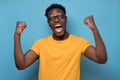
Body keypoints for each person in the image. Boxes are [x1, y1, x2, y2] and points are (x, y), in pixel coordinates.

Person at [14, 3, 107, 80]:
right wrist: (17, 35)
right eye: (52, 18)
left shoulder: (79, 42)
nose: (57, 20)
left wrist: (94, 29)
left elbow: (101, 59)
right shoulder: (40, 44)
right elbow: (21, 65)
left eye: (60, 16)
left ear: (65, 19)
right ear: (49, 23)